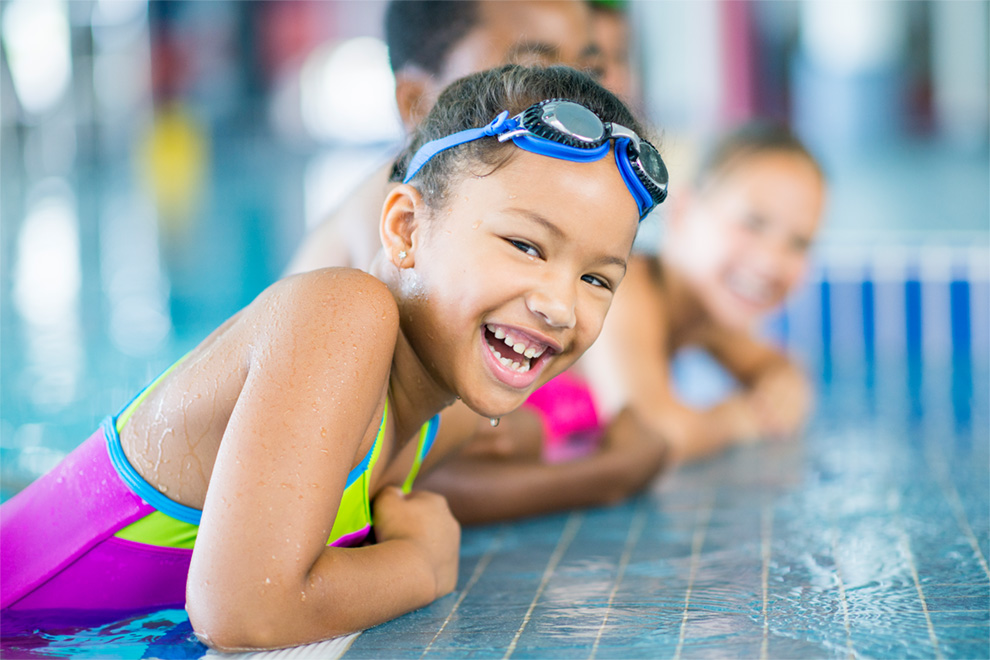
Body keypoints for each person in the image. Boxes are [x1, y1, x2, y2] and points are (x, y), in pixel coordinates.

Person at [0, 64, 669, 651]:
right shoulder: (343, 314)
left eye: (597, 278)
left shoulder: (448, 410)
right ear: (406, 229)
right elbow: (240, 610)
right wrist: (424, 566)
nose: (560, 304)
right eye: (526, 246)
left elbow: (501, 453)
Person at [423, 121, 825, 521]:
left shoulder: (706, 317)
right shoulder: (628, 289)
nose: (771, 261)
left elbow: (774, 367)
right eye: (753, 223)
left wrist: (782, 380)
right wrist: (743, 419)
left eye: (799, 242)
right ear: (684, 211)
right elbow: (657, 431)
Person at [284, 0, 600, 276]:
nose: (576, 101)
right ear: (417, 103)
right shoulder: (392, 227)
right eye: (534, 73)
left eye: (589, 72)